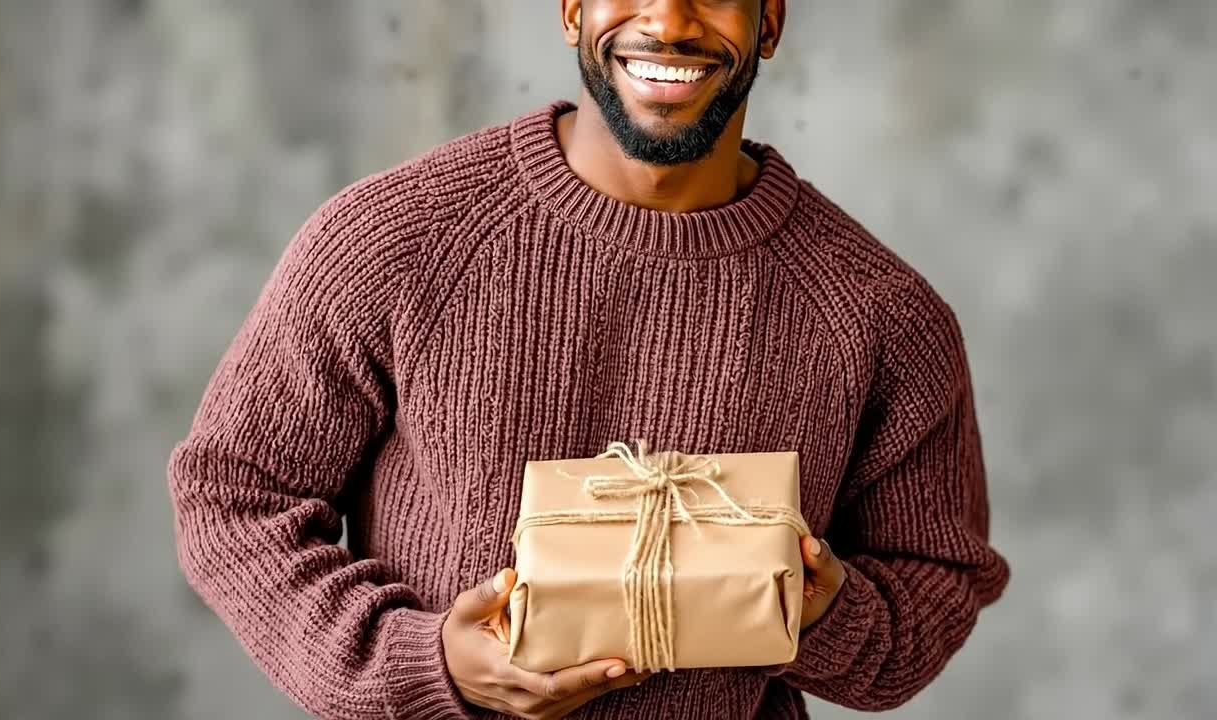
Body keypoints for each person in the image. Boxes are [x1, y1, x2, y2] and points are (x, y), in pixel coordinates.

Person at [167, 1, 1010, 718]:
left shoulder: (882, 314)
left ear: (771, 20)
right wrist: (424, 665)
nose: (670, 20)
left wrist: (824, 616)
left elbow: (935, 583)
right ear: (572, 8)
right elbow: (234, 496)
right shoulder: (396, 241)